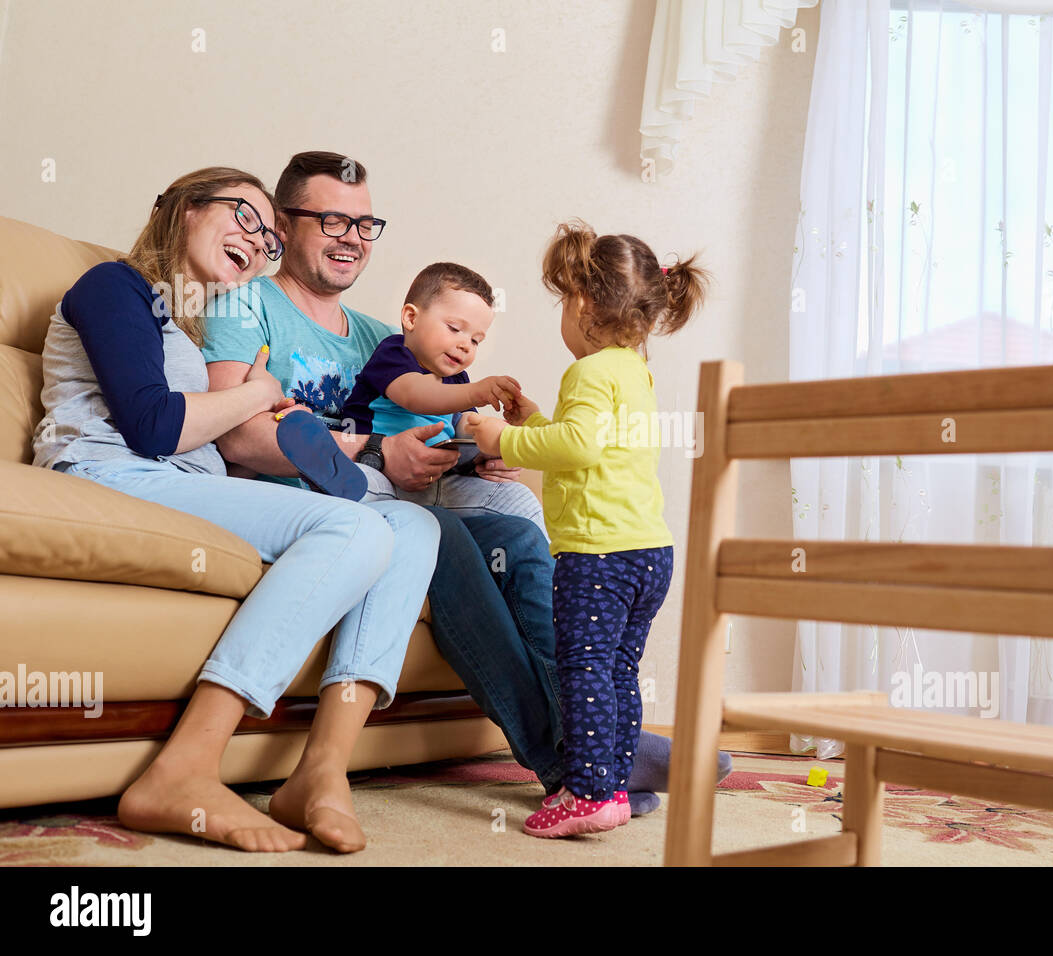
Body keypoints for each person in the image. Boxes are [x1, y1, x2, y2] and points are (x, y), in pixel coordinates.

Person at [201, 152, 730, 817]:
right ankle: (574, 760)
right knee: (441, 533)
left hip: (400, 496)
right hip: (317, 505)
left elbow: (433, 412)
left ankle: (593, 743)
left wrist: (482, 454)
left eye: (367, 225)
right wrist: (378, 451)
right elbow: (238, 437)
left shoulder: (376, 331)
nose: (352, 238)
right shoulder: (246, 304)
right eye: (333, 219)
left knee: (516, 534)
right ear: (283, 222)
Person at [32, 167, 440, 853]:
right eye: (244, 218)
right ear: (186, 208)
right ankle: (183, 768)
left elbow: (198, 437)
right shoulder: (114, 287)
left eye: (269, 241)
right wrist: (259, 396)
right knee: (352, 526)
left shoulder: (186, 330)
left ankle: (321, 769)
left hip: (180, 486)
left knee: (412, 524)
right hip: (108, 473)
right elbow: (153, 426)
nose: (257, 244)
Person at [466, 221, 707, 836]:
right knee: (617, 670)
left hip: (599, 555)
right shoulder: (633, 371)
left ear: (581, 302)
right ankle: (617, 784)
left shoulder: (588, 372)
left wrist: (505, 437)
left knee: (584, 670)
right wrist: (537, 420)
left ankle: (592, 792)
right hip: (649, 551)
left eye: (562, 300)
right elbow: (591, 444)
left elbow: (576, 446)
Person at [333, 260, 544, 533]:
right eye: (455, 328)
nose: (465, 345)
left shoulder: (457, 379)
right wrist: (476, 391)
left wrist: (503, 438)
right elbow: (415, 394)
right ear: (411, 318)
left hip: (436, 483)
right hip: (380, 472)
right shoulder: (394, 354)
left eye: (476, 340)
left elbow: (466, 424)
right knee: (357, 482)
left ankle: (559, 573)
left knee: (518, 498)